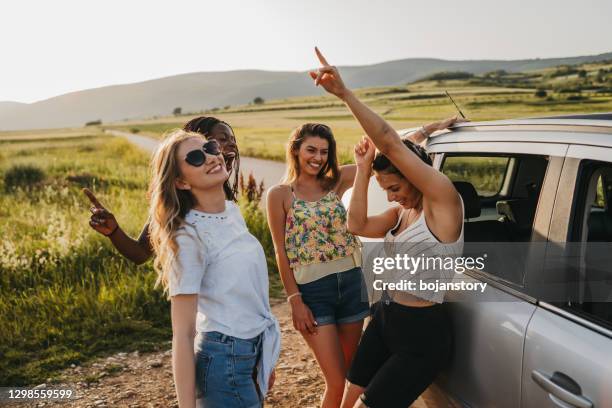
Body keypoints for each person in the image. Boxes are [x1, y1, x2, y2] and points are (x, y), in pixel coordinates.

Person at [310, 48, 465, 408]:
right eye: (386, 191)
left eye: (395, 188)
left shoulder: (443, 204)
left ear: (416, 176)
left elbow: (392, 143)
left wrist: (344, 94)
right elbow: (357, 224)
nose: (394, 197)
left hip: (421, 335)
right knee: (347, 397)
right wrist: (363, 171)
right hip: (384, 316)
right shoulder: (398, 215)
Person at [147, 129, 279, 407]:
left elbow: (248, 295)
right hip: (224, 359)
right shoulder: (189, 238)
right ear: (181, 182)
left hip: (249, 351)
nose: (210, 157)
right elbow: (183, 334)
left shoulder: (231, 212)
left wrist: (263, 361)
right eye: (196, 157)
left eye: (210, 147)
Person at [266, 122, 369, 408]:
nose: (318, 157)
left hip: (351, 283)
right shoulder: (280, 194)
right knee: (335, 382)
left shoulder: (336, 180)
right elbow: (280, 251)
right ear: (296, 149)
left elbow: (384, 153)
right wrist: (294, 299)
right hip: (313, 293)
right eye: (311, 149)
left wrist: (426, 130)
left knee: (347, 376)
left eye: (324, 151)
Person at [84, 117, 239, 264]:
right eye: (222, 140)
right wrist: (114, 231)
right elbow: (141, 254)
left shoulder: (224, 196)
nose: (232, 145)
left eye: (233, 140)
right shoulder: (178, 201)